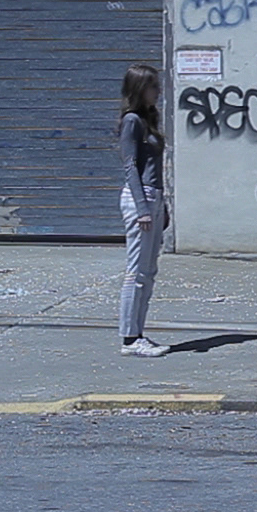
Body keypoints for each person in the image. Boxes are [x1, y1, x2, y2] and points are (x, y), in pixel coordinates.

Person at [116, 64, 170, 357]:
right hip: (141, 199)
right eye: (153, 86)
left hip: (154, 198)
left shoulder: (148, 120)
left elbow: (155, 169)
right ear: (139, 89)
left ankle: (138, 333)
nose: (158, 91)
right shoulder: (132, 121)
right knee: (136, 271)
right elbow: (130, 167)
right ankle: (129, 339)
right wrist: (142, 209)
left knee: (148, 271)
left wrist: (163, 206)